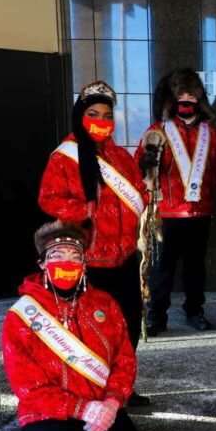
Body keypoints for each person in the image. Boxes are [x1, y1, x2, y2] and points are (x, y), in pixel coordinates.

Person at [2, 221, 149, 431]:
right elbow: (26, 387)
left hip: (101, 404)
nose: (67, 264)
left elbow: (124, 359)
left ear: (84, 264)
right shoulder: (22, 316)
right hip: (47, 411)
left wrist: (112, 404)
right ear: (43, 264)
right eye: (57, 256)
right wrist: (82, 409)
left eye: (75, 256)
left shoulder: (104, 303)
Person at [38, 80, 150, 406]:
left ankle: (121, 387)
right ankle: (93, 388)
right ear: (80, 116)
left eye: (107, 115)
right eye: (93, 114)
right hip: (90, 260)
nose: (101, 121)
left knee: (127, 325)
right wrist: (85, 210)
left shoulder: (121, 157)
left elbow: (138, 194)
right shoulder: (65, 157)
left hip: (125, 256)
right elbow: (48, 198)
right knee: (92, 329)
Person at [136, 69, 216, 334]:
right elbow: (141, 172)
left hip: (199, 214)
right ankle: (157, 315)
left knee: (195, 269)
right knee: (161, 270)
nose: (186, 100)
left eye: (192, 95)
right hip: (165, 214)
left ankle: (194, 310)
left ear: (200, 100)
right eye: (181, 95)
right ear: (172, 100)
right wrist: (144, 165)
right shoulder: (157, 132)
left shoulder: (211, 134)